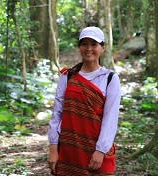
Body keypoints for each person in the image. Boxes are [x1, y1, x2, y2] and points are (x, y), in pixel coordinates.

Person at [48, 26, 120, 175]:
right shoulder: (67, 76)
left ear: (102, 48)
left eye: (94, 44)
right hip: (69, 149)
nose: (89, 48)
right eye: (84, 44)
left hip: (95, 149)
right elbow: (57, 114)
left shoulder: (110, 78)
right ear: (79, 47)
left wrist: (101, 150)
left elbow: (110, 118)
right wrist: (53, 148)